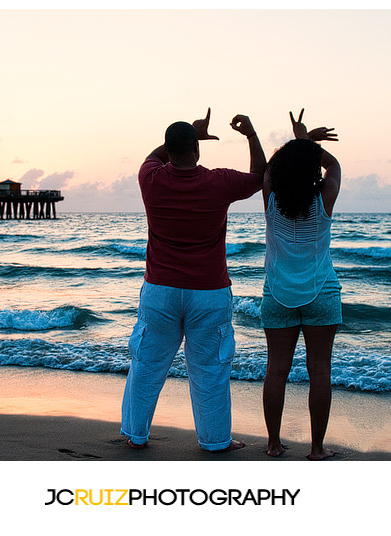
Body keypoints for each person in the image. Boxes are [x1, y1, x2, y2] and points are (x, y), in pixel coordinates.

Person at [121, 108, 266, 452]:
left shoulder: (150, 178)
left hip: (160, 290)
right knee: (210, 370)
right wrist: (250, 134)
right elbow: (260, 176)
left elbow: (152, 157)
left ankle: (135, 434)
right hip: (209, 292)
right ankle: (215, 441)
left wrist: (189, 135)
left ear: (168, 150)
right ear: (197, 150)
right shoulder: (218, 182)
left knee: (147, 364)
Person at [261, 109, 341, 460]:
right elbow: (334, 166)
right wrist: (307, 141)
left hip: (277, 294)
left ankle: (274, 444)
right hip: (321, 291)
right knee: (319, 371)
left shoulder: (271, 199)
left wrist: (298, 143)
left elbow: (269, 169)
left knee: (276, 371)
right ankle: (317, 449)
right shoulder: (324, 198)